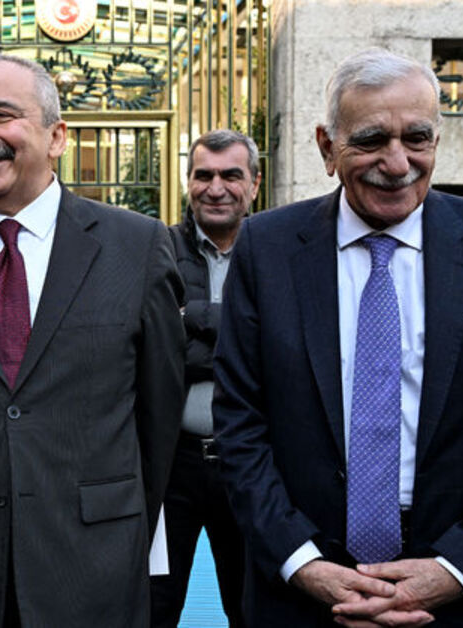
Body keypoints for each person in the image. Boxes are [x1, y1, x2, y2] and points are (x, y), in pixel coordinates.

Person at [211, 47, 463, 626]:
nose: (398, 162)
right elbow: (239, 426)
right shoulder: (267, 248)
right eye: (372, 139)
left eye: (417, 138)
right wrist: (304, 565)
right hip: (303, 598)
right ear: (327, 148)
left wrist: (456, 570)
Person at [0, 53, 185, 627]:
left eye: (1, 115)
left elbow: (158, 415)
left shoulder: (137, 246)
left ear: (57, 137)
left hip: (91, 563)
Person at [150, 129, 258, 628]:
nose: (216, 188)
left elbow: (276, 351)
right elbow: (153, 349)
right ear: (187, 181)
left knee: (250, 606)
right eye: (203, 175)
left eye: (230, 175)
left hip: (249, 463)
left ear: (254, 183)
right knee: (157, 605)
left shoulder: (273, 251)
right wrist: (241, 332)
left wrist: (189, 317)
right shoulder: (157, 249)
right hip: (172, 465)